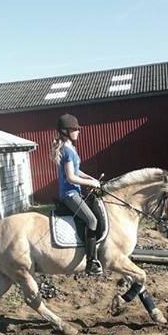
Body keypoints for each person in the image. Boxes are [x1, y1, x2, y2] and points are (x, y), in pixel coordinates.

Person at [52, 113, 103, 276]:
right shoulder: (67, 151)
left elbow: (76, 171)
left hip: (75, 192)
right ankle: (91, 262)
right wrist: (91, 184)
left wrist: (90, 177)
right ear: (66, 131)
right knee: (92, 220)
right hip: (69, 194)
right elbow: (71, 177)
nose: (78, 132)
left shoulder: (70, 148)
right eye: (75, 129)